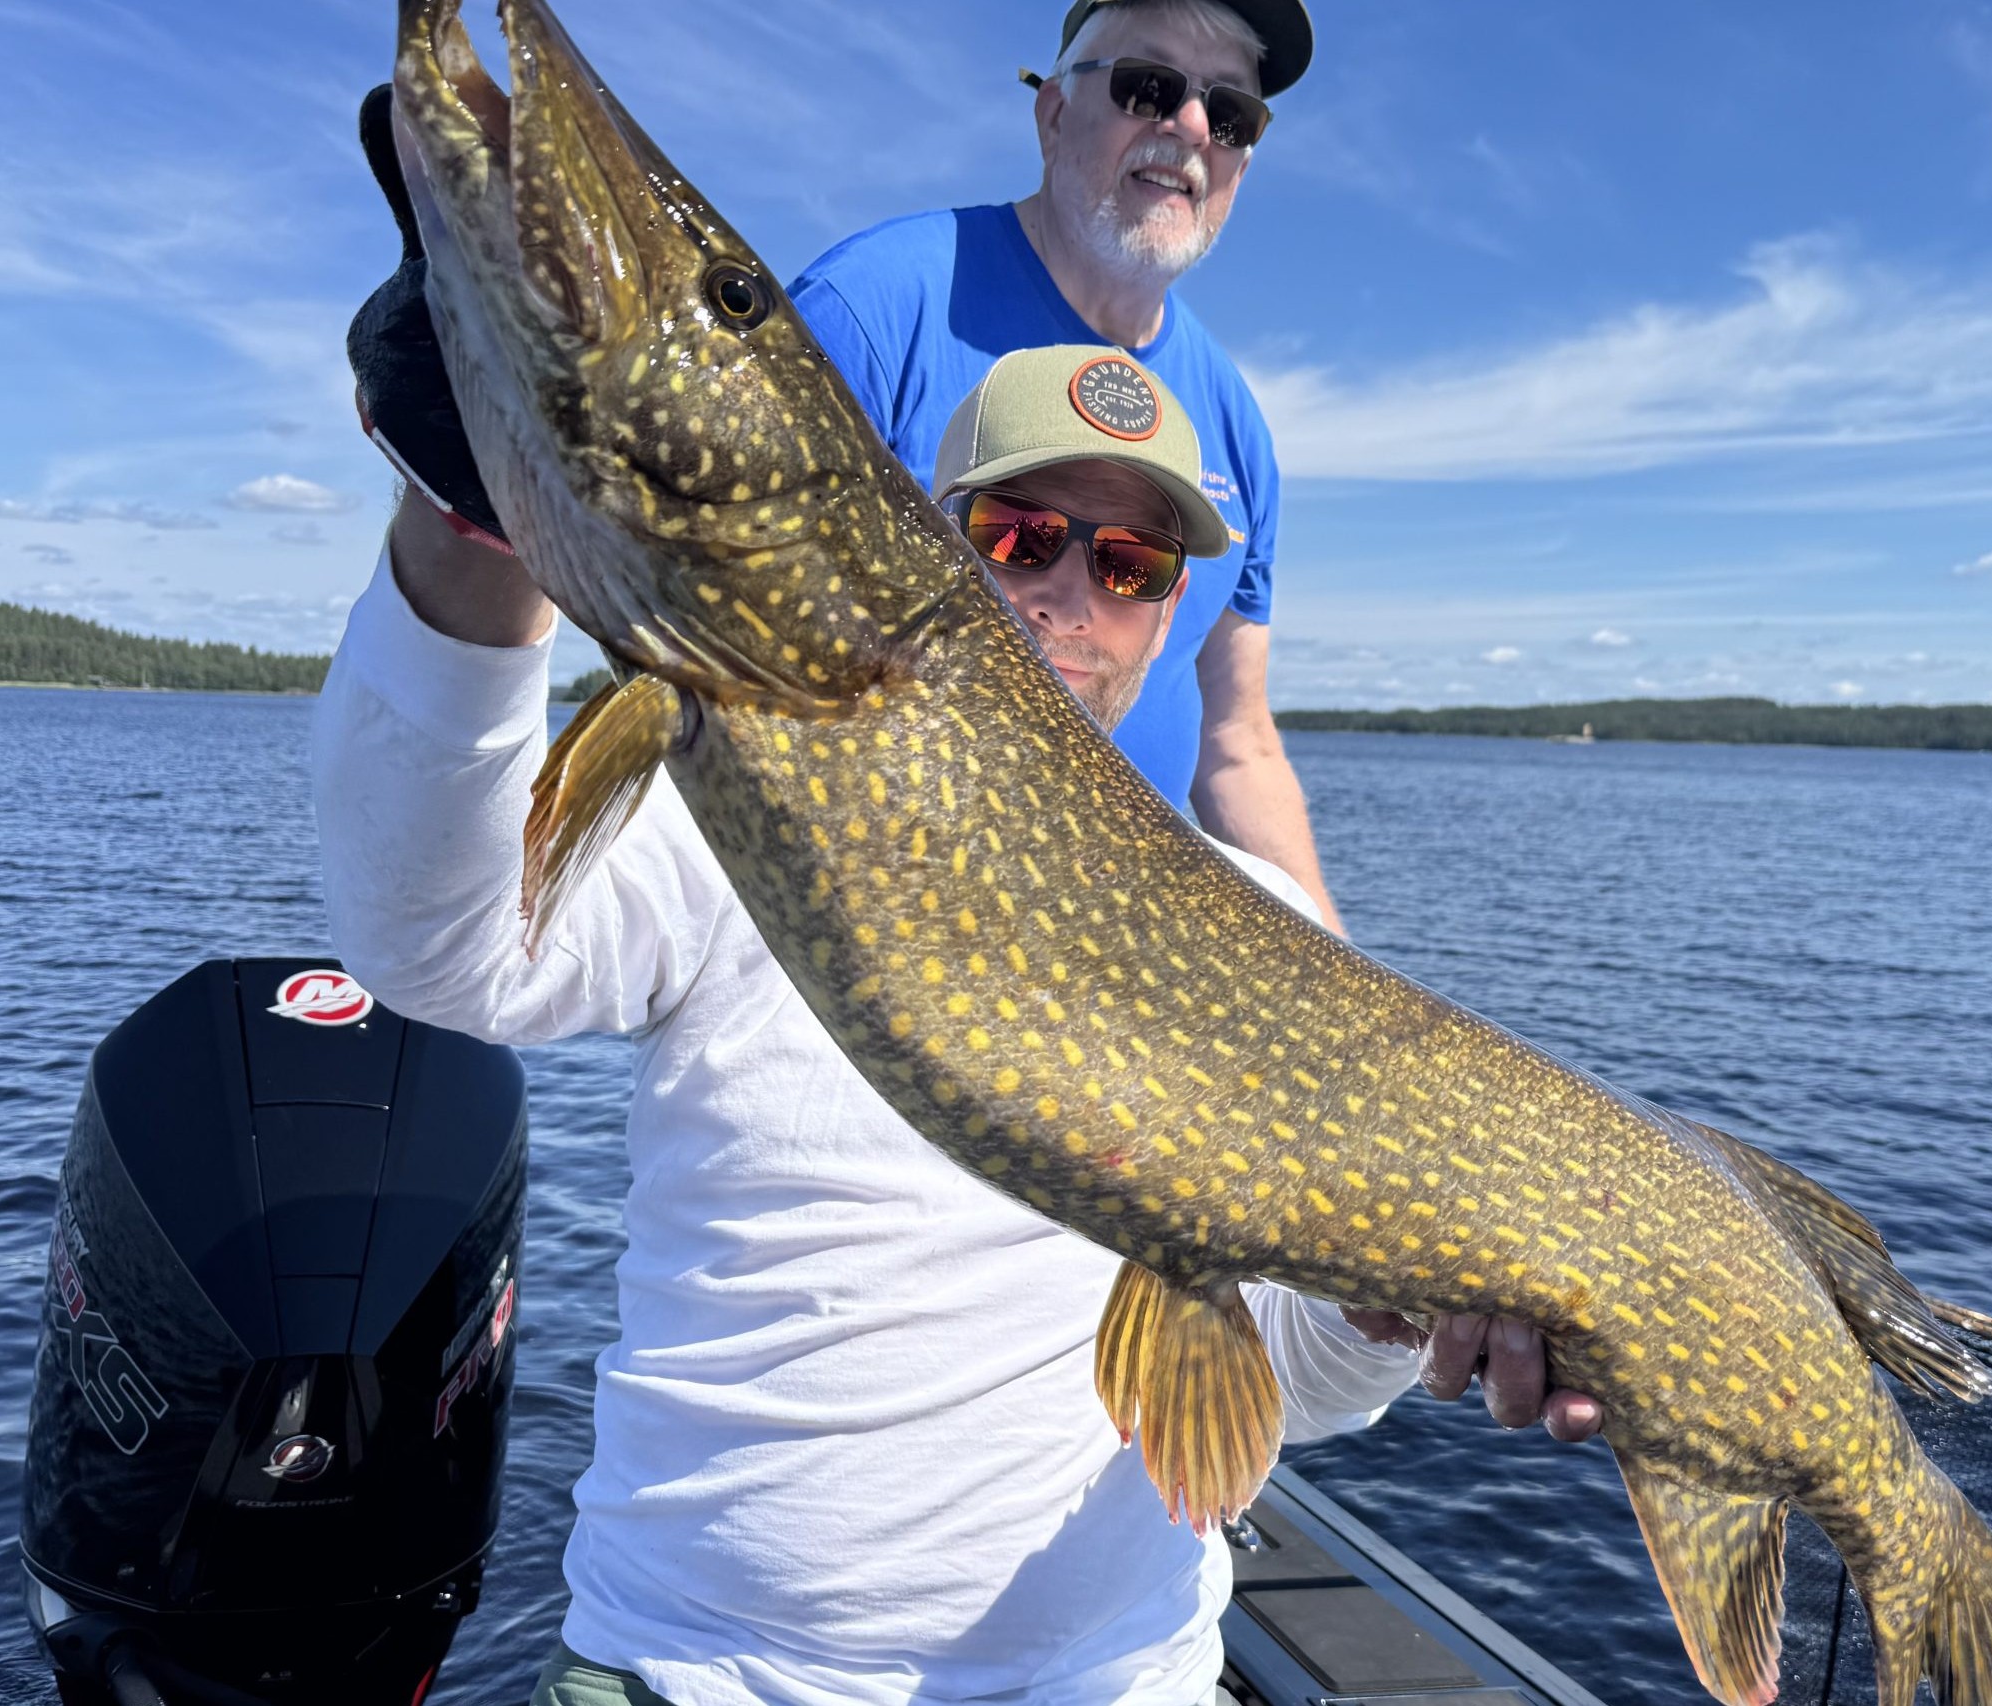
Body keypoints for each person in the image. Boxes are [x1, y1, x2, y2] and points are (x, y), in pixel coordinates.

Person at [315, 344, 1600, 1706]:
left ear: (1165, 615)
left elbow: (1285, 1382)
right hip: (697, 1673)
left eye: (1128, 565)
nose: (1070, 592)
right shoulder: (747, 792)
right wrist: (471, 523)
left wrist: (1378, 1313)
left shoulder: (1258, 919)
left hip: (1116, 1682)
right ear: (933, 543)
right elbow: (440, 945)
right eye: (1025, 532)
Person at [785, 0, 1341, 931]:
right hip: (879, 918)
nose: (1192, 129)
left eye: (1231, 114)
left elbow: (1235, 741)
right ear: (1051, 115)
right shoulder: (873, 308)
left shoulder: (1237, 427)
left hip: (1120, 966)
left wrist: (1352, 1002)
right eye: (1148, 88)